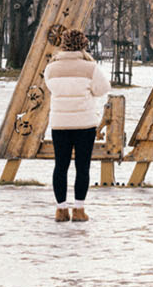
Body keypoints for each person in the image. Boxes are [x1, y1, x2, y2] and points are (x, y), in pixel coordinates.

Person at [43, 26, 109, 222]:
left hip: (60, 123)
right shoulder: (90, 68)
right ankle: (79, 210)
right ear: (84, 45)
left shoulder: (51, 68)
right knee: (82, 167)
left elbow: (50, 87)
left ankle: (61, 209)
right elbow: (102, 89)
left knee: (60, 166)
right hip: (84, 124)